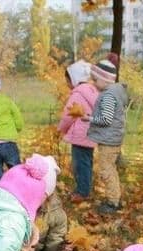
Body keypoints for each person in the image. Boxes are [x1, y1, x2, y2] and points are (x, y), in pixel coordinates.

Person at [85, 57, 128, 215]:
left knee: (106, 170)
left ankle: (113, 202)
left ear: (104, 79)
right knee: (111, 169)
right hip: (113, 138)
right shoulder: (116, 92)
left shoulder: (108, 96)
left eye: (95, 79)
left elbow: (106, 119)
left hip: (109, 140)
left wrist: (88, 118)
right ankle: (115, 197)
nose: (94, 83)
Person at [57, 60, 99, 203]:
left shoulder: (78, 95)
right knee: (86, 163)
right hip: (92, 134)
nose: (68, 84)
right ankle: (85, 188)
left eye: (68, 81)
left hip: (80, 136)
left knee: (80, 165)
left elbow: (69, 116)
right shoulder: (94, 91)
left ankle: (82, 192)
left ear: (74, 79)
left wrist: (61, 129)